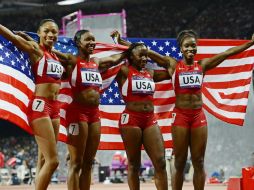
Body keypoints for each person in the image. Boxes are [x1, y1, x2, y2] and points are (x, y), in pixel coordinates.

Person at [112, 30, 254, 190]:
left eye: (193, 46)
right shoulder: (173, 65)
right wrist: (124, 43)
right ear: (181, 48)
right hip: (180, 117)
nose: (190, 49)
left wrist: (249, 43)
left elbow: (227, 53)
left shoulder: (203, 65)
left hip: (198, 116)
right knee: (179, 162)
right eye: (187, 46)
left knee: (199, 161)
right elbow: (147, 52)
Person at [52, 29, 127, 190]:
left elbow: (116, 58)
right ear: (78, 43)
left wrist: (125, 45)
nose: (92, 42)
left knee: (88, 162)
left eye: (93, 39)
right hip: (76, 113)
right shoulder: (72, 60)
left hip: (94, 115)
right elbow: (52, 51)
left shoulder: (96, 62)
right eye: (88, 40)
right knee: (76, 162)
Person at [0, 19, 63, 190]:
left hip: (55, 109)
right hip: (40, 106)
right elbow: (11, 37)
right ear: (39, 33)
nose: (51, 34)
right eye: (46, 31)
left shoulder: (56, 56)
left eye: (54, 32)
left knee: (43, 159)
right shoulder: (36, 50)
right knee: (53, 161)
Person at [113, 42, 170, 190]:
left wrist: (148, 52)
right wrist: (123, 49)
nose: (145, 58)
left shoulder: (150, 73)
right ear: (131, 56)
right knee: (134, 164)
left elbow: (172, 69)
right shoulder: (123, 71)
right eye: (141, 55)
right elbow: (106, 64)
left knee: (160, 162)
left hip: (150, 119)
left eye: (146, 55)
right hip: (131, 119)